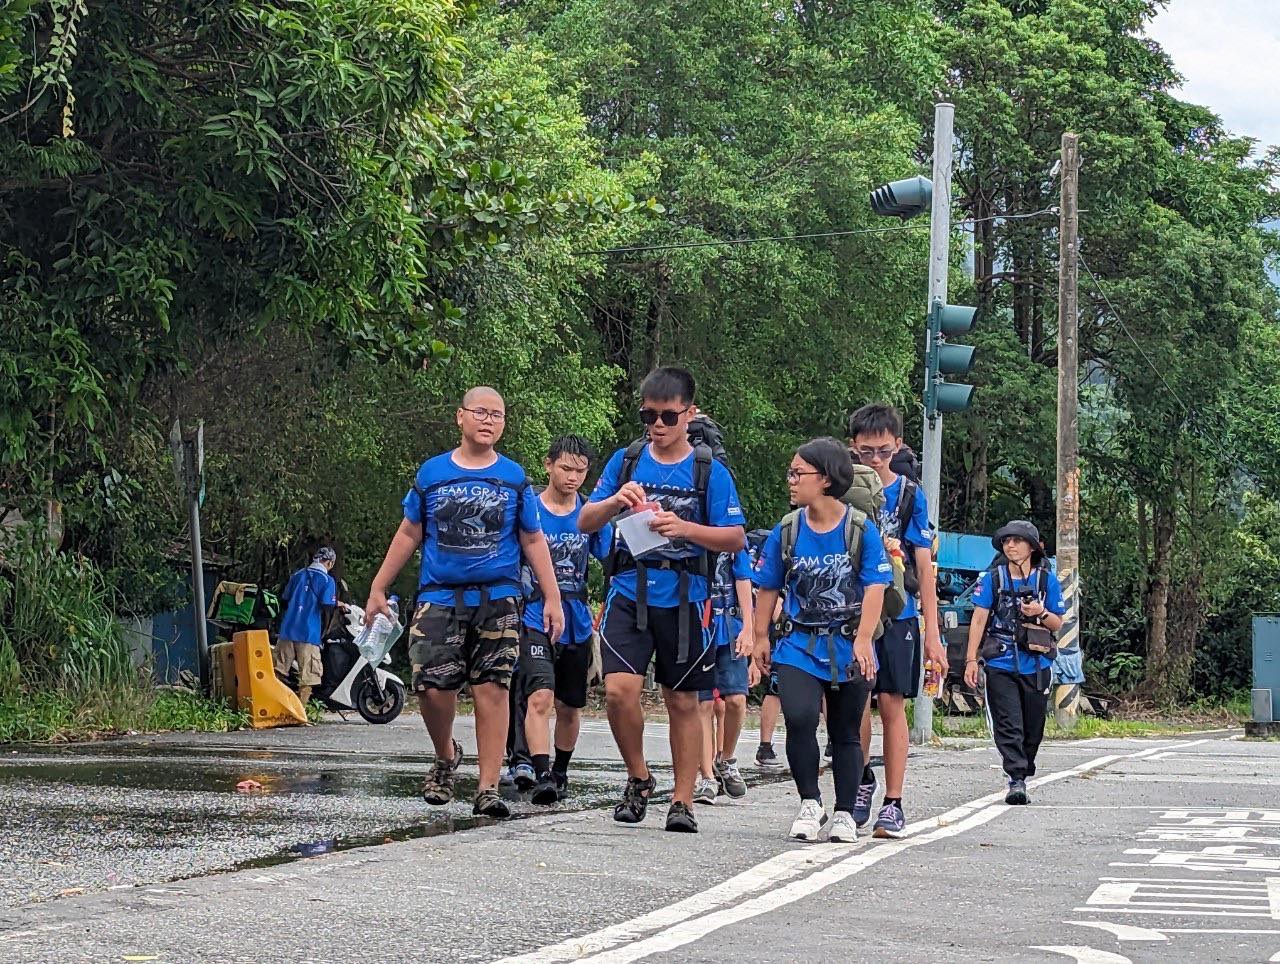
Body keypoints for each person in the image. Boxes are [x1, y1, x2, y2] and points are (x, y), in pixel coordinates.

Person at [364, 387, 564, 819]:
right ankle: (445, 754)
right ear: (460, 417)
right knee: (432, 689)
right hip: (439, 596)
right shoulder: (432, 473)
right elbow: (408, 533)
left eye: (497, 414)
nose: (488, 420)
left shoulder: (513, 478)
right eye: (480, 412)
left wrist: (552, 597)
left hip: (498, 597)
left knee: (492, 688)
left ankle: (487, 787)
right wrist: (379, 588)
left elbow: (532, 538)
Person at [579, 366, 746, 834]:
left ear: (689, 414)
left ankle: (682, 798)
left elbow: (734, 537)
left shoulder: (708, 469)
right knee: (618, 692)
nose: (656, 424)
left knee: (682, 701)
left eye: (668, 416)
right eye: (647, 415)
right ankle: (638, 777)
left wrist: (685, 529)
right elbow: (585, 521)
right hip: (629, 592)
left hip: (686, 599)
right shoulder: (627, 460)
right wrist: (615, 502)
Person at [750, 438, 891, 843]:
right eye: (791, 473)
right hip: (798, 643)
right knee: (798, 717)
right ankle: (810, 801)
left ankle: (846, 812)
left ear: (825, 479)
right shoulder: (788, 528)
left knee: (846, 731)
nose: (791, 481)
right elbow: (768, 585)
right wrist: (759, 635)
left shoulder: (859, 530)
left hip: (848, 643)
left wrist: (864, 640)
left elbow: (876, 586)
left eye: (799, 473)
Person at [847, 403, 948, 838]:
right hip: (852, 609)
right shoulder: (842, 490)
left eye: (883, 452)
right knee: (853, 703)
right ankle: (860, 782)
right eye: (866, 451)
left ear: (898, 446)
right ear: (853, 447)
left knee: (892, 702)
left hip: (899, 610)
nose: (874, 460)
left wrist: (934, 632)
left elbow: (924, 566)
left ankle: (894, 801)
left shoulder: (909, 495)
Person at [519, 435, 612, 805]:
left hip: (576, 617)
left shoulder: (590, 514)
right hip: (534, 613)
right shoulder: (531, 512)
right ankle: (540, 772)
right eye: (566, 468)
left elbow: (611, 561)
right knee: (539, 695)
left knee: (570, 705)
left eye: (581, 470)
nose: (573, 477)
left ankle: (560, 770)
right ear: (548, 465)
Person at [964, 521, 1065, 805]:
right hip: (1001, 663)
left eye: (1017, 541)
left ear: (1031, 547)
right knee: (1009, 724)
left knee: (1033, 727)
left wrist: (1040, 612)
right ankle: (1016, 778)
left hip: (1037, 665)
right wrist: (972, 659)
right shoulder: (992, 579)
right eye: (1007, 541)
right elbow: (979, 619)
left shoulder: (1047, 581)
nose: (1010, 546)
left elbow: (1057, 623)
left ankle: (1024, 766)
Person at [693, 548, 754, 803]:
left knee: (737, 700)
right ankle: (706, 776)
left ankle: (726, 759)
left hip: (730, 626)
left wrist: (749, 628)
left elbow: (743, 579)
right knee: (703, 703)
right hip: (698, 625)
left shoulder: (733, 537)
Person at [275, 547, 344, 706]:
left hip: (287, 630)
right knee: (309, 675)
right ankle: (300, 711)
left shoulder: (297, 575)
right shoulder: (327, 580)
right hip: (309, 633)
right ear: (329, 562)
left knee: (278, 671)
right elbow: (327, 604)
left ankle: (277, 705)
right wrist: (338, 604)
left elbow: (285, 600)